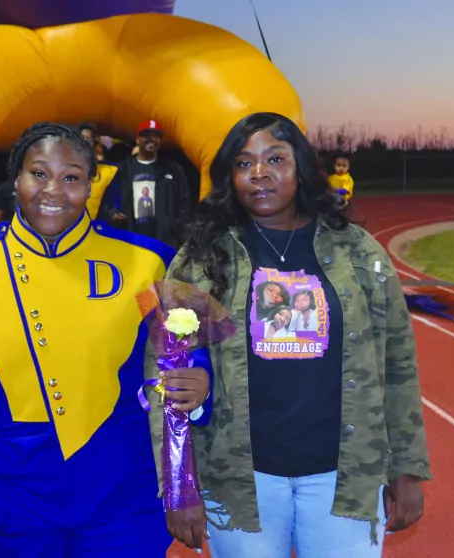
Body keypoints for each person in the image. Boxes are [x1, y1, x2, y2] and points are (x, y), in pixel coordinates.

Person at [0, 122, 210, 557]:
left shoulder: (150, 262)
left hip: (125, 484)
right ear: (15, 180)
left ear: (91, 184)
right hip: (11, 490)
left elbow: (188, 361)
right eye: (39, 174)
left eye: (72, 177)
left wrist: (182, 482)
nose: (54, 190)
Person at [146, 112, 431, 557]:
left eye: (275, 159)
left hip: (344, 477)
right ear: (229, 178)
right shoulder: (199, 260)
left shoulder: (358, 252)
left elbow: (398, 362)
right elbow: (167, 376)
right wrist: (179, 487)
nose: (259, 173)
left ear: (301, 166)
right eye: (244, 163)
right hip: (239, 480)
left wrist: (407, 468)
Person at [100, 119, 191, 249]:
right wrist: (112, 213)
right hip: (131, 239)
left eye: (156, 136)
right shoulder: (123, 169)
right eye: (146, 135)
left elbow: (184, 202)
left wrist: (177, 230)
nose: (151, 139)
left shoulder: (173, 169)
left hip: (164, 240)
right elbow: (107, 202)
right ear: (137, 139)